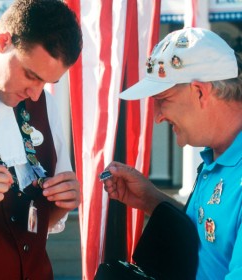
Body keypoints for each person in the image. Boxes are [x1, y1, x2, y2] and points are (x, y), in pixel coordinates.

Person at [103, 27, 242, 279]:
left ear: (200, 91)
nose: (157, 117)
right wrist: (150, 200)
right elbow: (208, 240)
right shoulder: (217, 156)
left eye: (162, 99)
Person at [0, 0, 82, 279]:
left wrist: (62, 201)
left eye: (45, 82)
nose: (35, 94)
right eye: (31, 75)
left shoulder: (46, 105)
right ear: (3, 42)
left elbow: (40, 224)